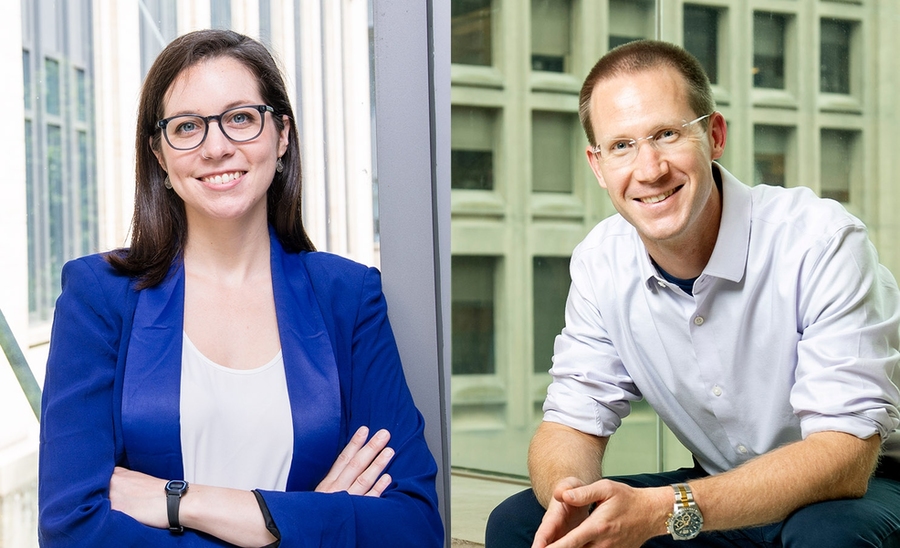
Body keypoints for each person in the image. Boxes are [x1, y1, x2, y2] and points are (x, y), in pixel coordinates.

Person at [486, 40, 900, 548]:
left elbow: (844, 458)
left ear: (714, 134)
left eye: (666, 134)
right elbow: (571, 422)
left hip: (863, 488)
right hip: (719, 491)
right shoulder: (601, 262)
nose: (650, 168)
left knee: (828, 537)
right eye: (622, 146)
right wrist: (571, 503)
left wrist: (666, 511)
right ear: (597, 165)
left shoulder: (820, 241)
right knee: (522, 523)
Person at [38, 29, 442, 547]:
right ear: (160, 155)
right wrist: (310, 520)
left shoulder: (348, 296)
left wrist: (182, 500)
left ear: (282, 136)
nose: (217, 147)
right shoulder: (99, 296)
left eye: (241, 118)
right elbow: (71, 528)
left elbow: (414, 528)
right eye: (187, 127)